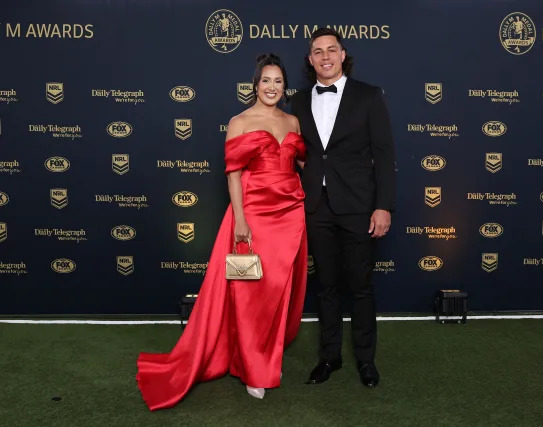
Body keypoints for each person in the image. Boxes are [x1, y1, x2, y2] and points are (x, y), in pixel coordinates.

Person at [136, 54, 307, 409]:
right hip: (255, 214)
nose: (272, 87)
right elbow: (233, 175)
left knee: (278, 292)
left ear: (284, 87)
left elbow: (302, 164)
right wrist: (241, 220)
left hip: (291, 214)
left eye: (278, 81)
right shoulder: (240, 121)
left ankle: (265, 355)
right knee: (251, 294)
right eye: (265, 81)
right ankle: (253, 368)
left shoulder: (293, 120)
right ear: (255, 85)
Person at [290, 28, 396, 388]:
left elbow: (383, 155)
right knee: (328, 287)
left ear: (342, 53)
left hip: (357, 206)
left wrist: (383, 206)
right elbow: (299, 151)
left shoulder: (368, 95)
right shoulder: (300, 101)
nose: (324, 56)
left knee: (361, 286)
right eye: (317, 51)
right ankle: (329, 357)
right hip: (317, 207)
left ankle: (366, 360)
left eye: (331, 50)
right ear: (310, 60)